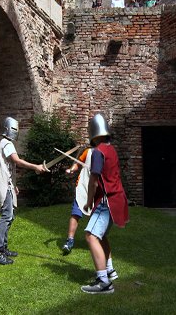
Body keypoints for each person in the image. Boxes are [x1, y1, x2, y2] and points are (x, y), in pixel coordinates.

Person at [0, 116, 48, 265]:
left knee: (10, 215)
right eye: (14, 129)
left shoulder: (5, 143)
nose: (16, 132)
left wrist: (13, 184)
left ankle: (3, 248)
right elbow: (16, 160)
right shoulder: (6, 143)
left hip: (7, 184)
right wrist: (35, 167)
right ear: (8, 129)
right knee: (7, 216)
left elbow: (8, 167)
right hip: (3, 184)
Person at [80, 113, 129, 294]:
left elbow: (93, 181)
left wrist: (88, 202)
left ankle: (104, 282)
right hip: (116, 199)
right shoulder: (112, 149)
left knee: (91, 236)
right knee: (100, 236)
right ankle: (110, 270)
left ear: (93, 132)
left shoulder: (99, 153)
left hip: (106, 200)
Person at [61, 145, 93, 255]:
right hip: (82, 187)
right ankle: (70, 240)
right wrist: (71, 170)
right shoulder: (87, 152)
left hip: (96, 190)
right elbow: (77, 164)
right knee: (76, 213)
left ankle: (95, 239)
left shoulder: (104, 153)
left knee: (96, 215)